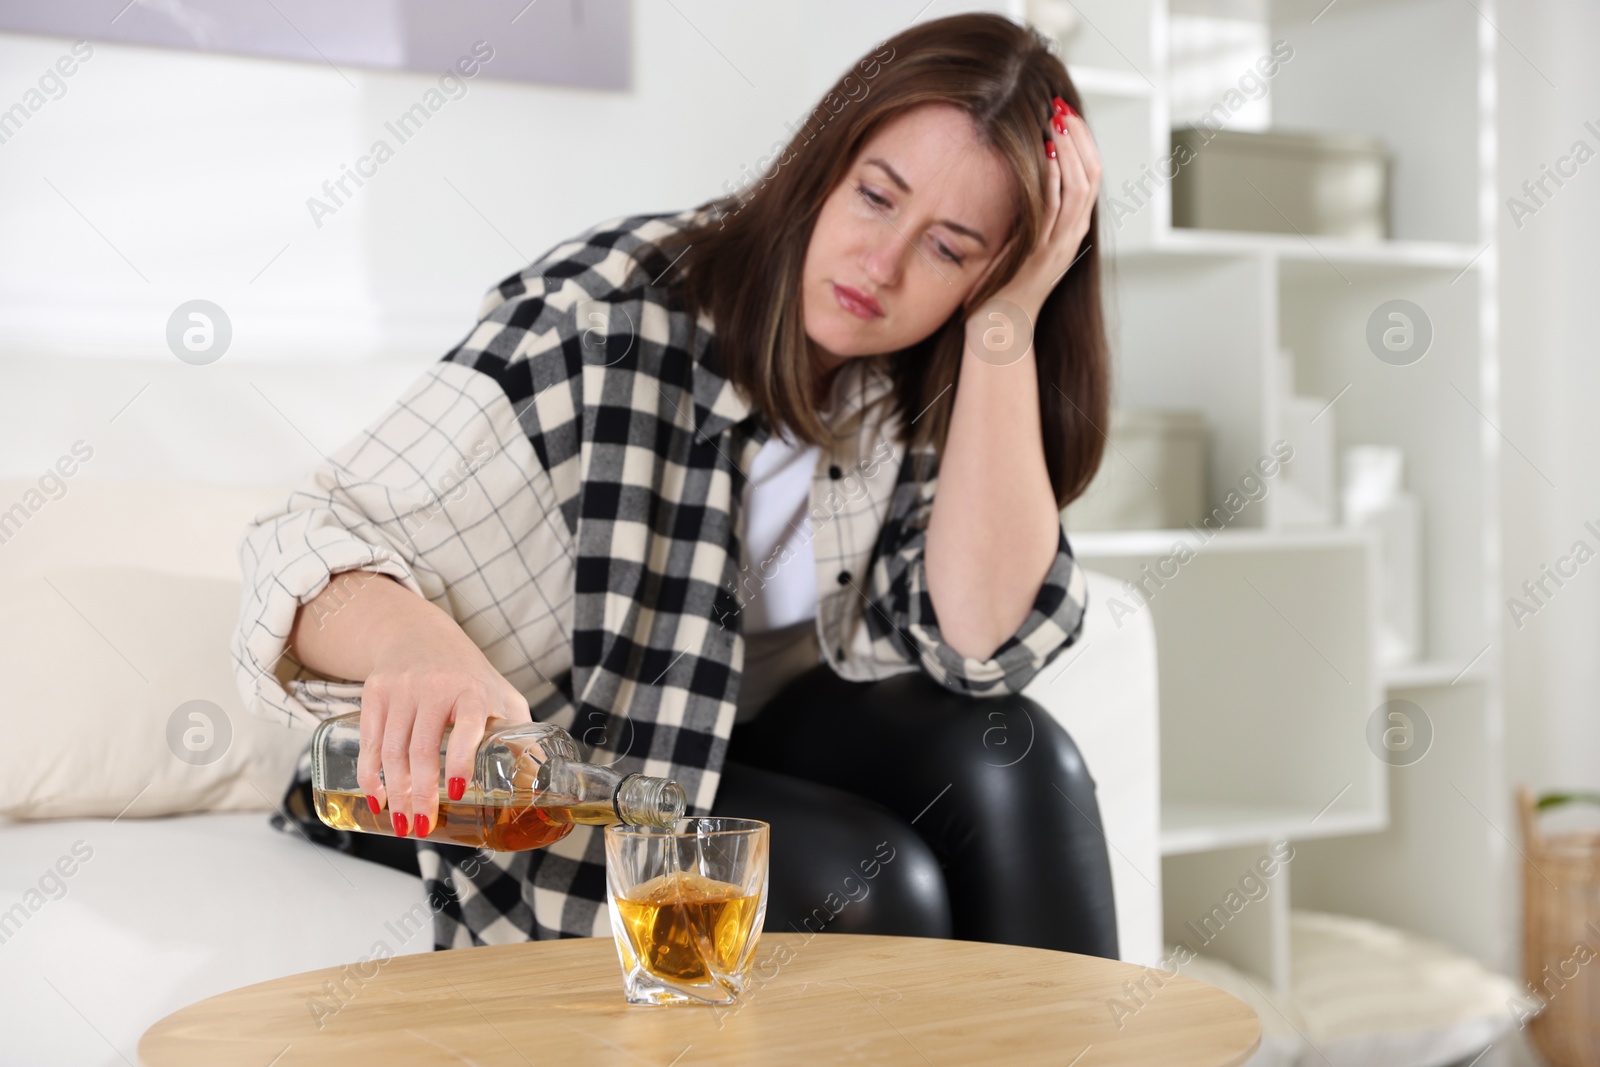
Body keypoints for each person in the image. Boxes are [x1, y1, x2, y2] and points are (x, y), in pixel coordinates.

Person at [232, 11, 1118, 958]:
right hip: (541, 774)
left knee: (1022, 762)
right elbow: (305, 537)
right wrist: (415, 646)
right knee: (865, 883)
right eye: (875, 197)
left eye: (951, 248)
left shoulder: (925, 374)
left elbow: (980, 641)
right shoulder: (600, 319)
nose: (884, 264)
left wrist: (1006, 324)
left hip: (719, 733)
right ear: (826, 162)